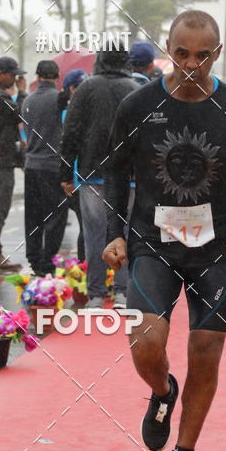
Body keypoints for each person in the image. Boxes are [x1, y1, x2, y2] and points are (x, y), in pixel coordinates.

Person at [102, 9, 226, 451]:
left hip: (214, 250)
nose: (191, 64)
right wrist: (115, 232)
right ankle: (162, 391)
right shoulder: (137, 106)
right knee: (145, 343)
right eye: (181, 54)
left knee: (205, 353)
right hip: (152, 243)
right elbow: (116, 172)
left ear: (216, 54)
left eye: (202, 55)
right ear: (167, 50)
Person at [60, 44, 138, 309]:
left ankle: (95, 295)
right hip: (129, 177)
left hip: (92, 175)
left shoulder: (86, 89)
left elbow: (70, 133)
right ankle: (122, 292)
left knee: (93, 235)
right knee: (125, 234)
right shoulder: (136, 89)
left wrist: (66, 173)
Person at [21, 60, 68, 276]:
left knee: (33, 216)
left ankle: (34, 260)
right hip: (53, 165)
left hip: (31, 165)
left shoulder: (28, 101)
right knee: (56, 215)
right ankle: (48, 261)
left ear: (37, 77)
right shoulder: (61, 99)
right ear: (57, 77)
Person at [0, 56, 27, 273]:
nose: (15, 79)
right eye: (12, 74)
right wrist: (23, 92)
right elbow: (21, 113)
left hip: (1, 160)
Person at [57, 68, 87, 262]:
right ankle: (86, 270)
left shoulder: (85, 110)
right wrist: (71, 179)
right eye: (79, 87)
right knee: (86, 228)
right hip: (78, 180)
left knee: (89, 228)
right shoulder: (68, 113)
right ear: (71, 89)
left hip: (86, 179)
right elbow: (70, 149)